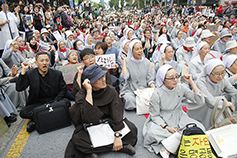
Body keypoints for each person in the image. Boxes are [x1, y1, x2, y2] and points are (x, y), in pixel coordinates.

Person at [65, 65, 138, 158]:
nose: (104, 80)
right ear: (89, 82)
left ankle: (95, 150)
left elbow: (117, 113)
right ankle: (118, 147)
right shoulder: (81, 95)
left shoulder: (110, 90)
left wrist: (117, 135)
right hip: (91, 125)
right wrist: (89, 91)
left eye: (103, 76)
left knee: (132, 129)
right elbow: (88, 118)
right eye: (99, 79)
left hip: (110, 123)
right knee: (78, 140)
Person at [143, 64, 205, 157]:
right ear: (163, 80)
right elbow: (155, 115)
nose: (175, 80)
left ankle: (171, 144)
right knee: (152, 132)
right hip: (162, 118)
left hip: (179, 116)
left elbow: (199, 100)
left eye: (176, 76)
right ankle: (178, 142)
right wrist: (166, 127)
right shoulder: (157, 94)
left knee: (199, 127)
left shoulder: (181, 87)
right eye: (171, 78)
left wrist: (191, 82)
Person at [16, 52, 67, 133]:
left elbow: (63, 89)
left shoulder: (57, 73)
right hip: (38, 103)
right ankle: (52, 115)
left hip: (54, 101)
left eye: (46, 60)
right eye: (41, 60)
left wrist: (56, 101)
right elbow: (19, 88)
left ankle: (37, 120)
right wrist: (23, 72)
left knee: (67, 103)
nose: (44, 63)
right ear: (36, 63)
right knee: (23, 112)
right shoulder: (30, 74)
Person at [188, 59, 237, 129]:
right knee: (219, 101)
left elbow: (234, 93)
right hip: (200, 107)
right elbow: (211, 102)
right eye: (217, 74)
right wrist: (228, 104)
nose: (220, 76)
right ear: (209, 72)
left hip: (217, 105)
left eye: (223, 73)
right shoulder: (201, 82)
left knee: (219, 102)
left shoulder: (223, 80)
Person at [120, 40, 155, 110]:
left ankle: (140, 105)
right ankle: (140, 105)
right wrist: (124, 61)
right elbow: (125, 76)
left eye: (141, 48)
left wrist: (153, 87)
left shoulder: (147, 62)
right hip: (131, 90)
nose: (140, 51)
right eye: (137, 49)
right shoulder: (128, 62)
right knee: (129, 98)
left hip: (143, 90)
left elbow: (150, 79)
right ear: (132, 51)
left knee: (153, 96)